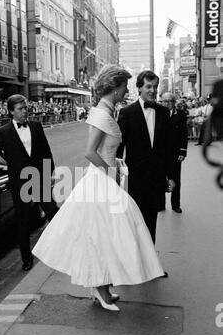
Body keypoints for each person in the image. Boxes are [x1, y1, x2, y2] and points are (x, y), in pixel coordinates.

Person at [32, 65, 166, 313]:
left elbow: (106, 149)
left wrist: (116, 162)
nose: (127, 90)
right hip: (101, 182)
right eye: (125, 86)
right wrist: (110, 173)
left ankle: (102, 288)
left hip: (105, 178)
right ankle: (100, 289)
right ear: (115, 87)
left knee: (106, 237)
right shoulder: (102, 114)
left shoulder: (107, 111)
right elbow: (90, 152)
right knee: (104, 236)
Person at [0, 94, 58, 271]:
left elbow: (46, 151)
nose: (25, 111)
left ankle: (60, 251)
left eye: (25, 108)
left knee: (53, 213)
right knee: (22, 222)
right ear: (11, 112)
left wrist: (50, 173)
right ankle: (26, 259)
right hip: (20, 182)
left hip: (39, 177)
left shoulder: (36, 126)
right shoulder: (4, 131)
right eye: (20, 109)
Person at [116, 70, 175, 244]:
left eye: (155, 87)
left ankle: (151, 267)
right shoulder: (127, 113)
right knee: (135, 223)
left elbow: (169, 148)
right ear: (139, 88)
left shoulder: (164, 112)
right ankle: (137, 266)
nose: (152, 91)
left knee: (151, 223)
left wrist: (171, 176)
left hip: (156, 178)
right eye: (148, 86)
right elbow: (119, 148)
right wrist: (118, 177)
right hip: (134, 179)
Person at [160, 92, 188, 213]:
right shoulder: (157, 114)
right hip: (160, 153)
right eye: (164, 101)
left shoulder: (180, 115)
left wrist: (183, 151)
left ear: (173, 102)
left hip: (175, 153)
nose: (166, 103)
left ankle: (175, 204)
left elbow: (184, 134)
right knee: (160, 178)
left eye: (169, 101)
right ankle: (160, 204)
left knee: (176, 178)